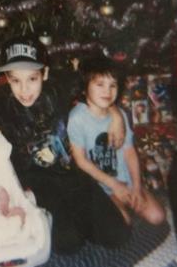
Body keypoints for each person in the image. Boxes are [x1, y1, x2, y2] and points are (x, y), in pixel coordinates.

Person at [0, 37, 131, 254]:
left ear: (44, 73)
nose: (24, 90)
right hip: (38, 182)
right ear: (7, 79)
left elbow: (96, 90)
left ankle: (94, 213)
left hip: (72, 173)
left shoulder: (60, 85)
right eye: (15, 80)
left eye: (32, 79)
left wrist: (115, 114)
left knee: (119, 236)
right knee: (68, 245)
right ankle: (76, 222)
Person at [67, 56, 165, 226]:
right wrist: (114, 185)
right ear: (85, 87)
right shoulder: (77, 118)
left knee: (157, 217)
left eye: (113, 85)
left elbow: (129, 152)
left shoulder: (120, 115)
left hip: (125, 179)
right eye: (100, 84)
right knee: (122, 222)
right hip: (101, 186)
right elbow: (81, 161)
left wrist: (136, 187)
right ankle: (118, 212)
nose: (108, 91)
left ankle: (129, 206)